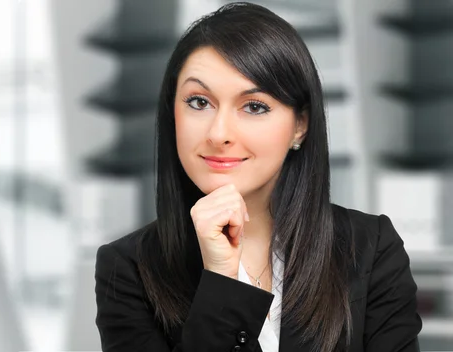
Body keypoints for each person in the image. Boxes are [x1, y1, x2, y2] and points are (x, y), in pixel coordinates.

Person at [93, 2, 422, 351]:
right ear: (172, 114)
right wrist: (220, 279)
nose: (219, 134)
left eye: (254, 106)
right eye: (199, 102)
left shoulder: (370, 249)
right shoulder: (128, 268)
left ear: (300, 125)